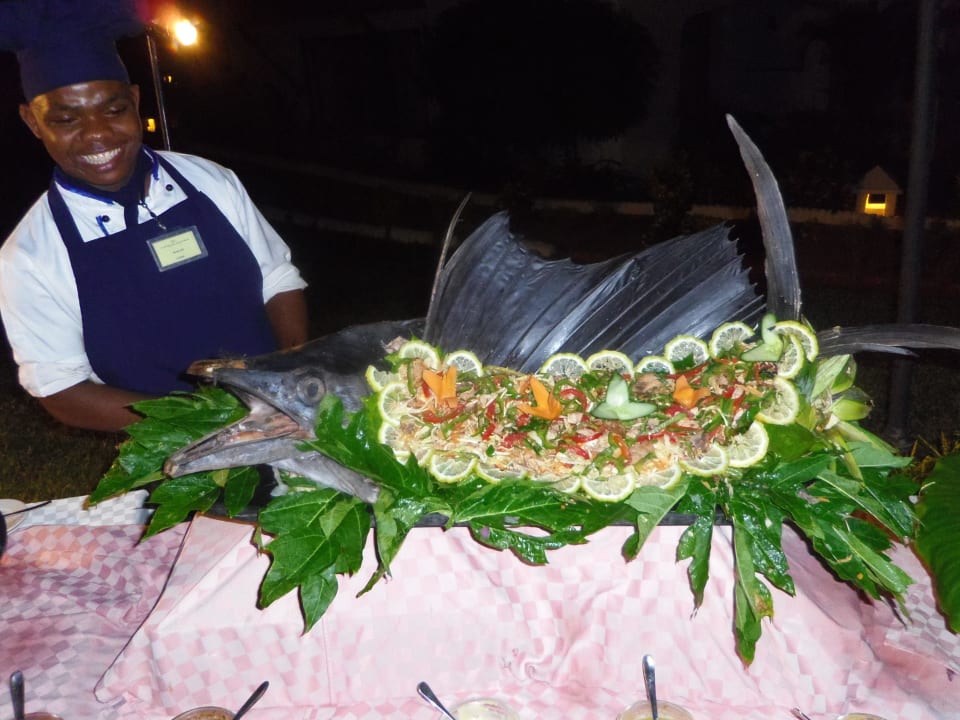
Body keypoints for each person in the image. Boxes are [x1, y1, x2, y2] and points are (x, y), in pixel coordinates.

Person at [0, 0, 309, 432]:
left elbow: (277, 278)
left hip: (288, 418)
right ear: (33, 122)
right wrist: (200, 424)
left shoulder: (210, 181)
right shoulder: (29, 256)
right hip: (174, 454)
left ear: (136, 100)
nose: (97, 134)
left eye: (113, 110)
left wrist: (293, 378)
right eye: (67, 118)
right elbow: (61, 389)